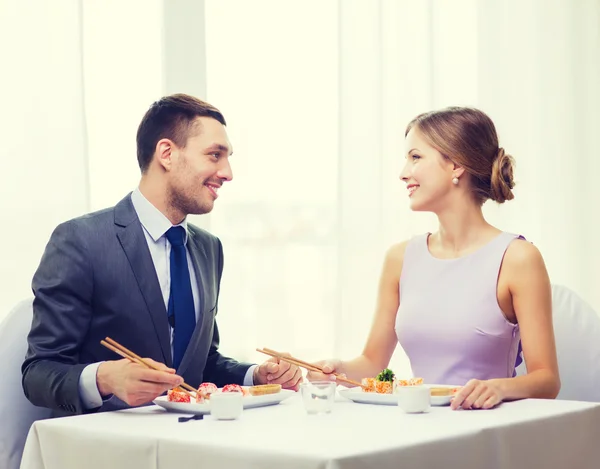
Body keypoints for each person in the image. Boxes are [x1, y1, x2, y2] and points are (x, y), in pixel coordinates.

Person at [22, 94, 302, 416]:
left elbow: (201, 364)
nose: (228, 173)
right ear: (167, 154)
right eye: (215, 155)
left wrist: (255, 375)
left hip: (190, 446)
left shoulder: (209, 249)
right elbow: (38, 373)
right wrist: (105, 378)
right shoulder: (80, 241)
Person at [308, 107, 560, 410]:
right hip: (418, 427)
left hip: (486, 431)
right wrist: (339, 370)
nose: (403, 173)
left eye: (415, 157)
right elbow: (373, 363)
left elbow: (547, 380)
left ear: (455, 165)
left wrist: (499, 388)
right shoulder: (400, 258)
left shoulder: (518, 258)